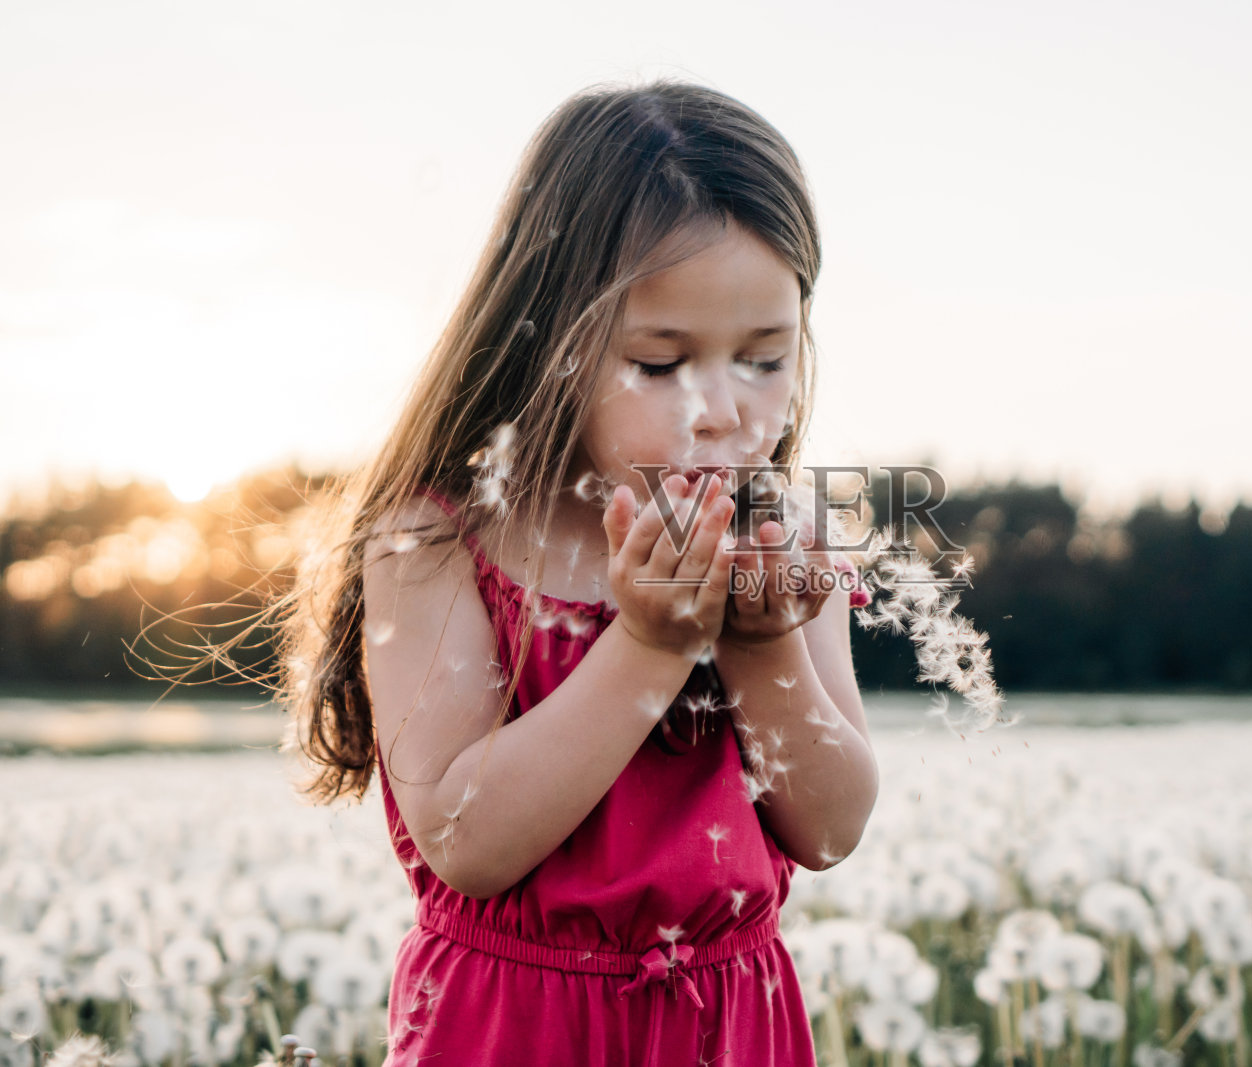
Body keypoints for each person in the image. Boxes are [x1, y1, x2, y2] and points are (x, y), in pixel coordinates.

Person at [273, 77, 879, 1065]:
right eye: (659, 363)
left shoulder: (786, 544)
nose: (721, 410)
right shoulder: (435, 541)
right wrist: (651, 645)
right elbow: (467, 841)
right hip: (510, 1027)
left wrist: (763, 646)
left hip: (728, 1027)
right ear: (549, 343)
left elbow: (831, 826)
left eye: (764, 359)